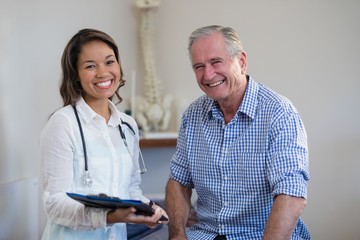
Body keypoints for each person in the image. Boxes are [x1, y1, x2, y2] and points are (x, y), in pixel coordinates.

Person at [165, 25, 310, 240]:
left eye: (216, 62)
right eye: (199, 66)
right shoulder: (193, 115)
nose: (208, 74)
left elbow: (291, 194)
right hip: (206, 234)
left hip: (260, 235)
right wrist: (177, 236)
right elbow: (178, 182)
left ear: (241, 61)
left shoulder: (279, 112)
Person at [40, 28, 168, 240]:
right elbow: (55, 203)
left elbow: (131, 189)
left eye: (109, 62)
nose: (103, 72)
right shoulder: (62, 124)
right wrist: (109, 217)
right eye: (90, 66)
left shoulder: (128, 126)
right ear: (75, 75)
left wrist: (148, 208)